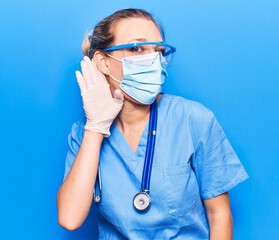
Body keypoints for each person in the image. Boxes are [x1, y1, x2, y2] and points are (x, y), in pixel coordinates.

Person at [57, 8, 248, 239]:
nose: (153, 60)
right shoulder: (84, 133)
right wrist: (96, 127)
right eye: (137, 48)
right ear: (103, 62)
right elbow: (69, 218)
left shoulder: (193, 120)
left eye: (158, 51)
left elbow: (219, 215)